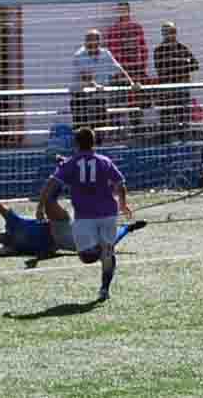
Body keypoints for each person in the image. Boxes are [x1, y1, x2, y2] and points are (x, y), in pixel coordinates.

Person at [37, 128, 131, 301]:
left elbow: (51, 184)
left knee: (86, 257)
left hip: (85, 216)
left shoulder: (71, 163)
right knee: (108, 254)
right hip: (108, 213)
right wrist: (123, 205)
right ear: (94, 143)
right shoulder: (105, 161)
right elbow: (120, 184)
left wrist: (40, 207)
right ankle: (105, 283)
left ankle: (103, 284)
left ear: (76, 143)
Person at [0, 200, 147, 257]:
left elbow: (1, 207)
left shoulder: (13, 224)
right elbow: (3, 252)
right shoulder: (14, 248)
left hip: (58, 228)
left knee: (58, 213)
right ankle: (127, 229)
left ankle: (54, 195)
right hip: (61, 241)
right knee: (101, 249)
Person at [72, 29, 135, 142]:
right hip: (80, 97)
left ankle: (98, 149)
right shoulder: (79, 55)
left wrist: (132, 83)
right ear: (86, 42)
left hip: (99, 96)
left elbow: (119, 69)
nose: (93, 43)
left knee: (99, 127)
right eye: (90, 40)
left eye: (96, 40)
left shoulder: (105, 53)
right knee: (81, 129)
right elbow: (84, 76)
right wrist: (95, 85)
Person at [153, 21, 200, 141]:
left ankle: (184, 138)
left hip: (182, 87)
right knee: (167, 116)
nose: (170, 35)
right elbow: (162, 68)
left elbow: (195, 64)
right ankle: (166, 140)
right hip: (167, 88)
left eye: (172, 32)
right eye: (167, 32)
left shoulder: (182, 48)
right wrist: (183, 62)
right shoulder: (159, 50)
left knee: (183, 115)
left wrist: (177, 63)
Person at [105, 2, 148, 83]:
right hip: (121, 70)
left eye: (125, 9)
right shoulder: (113, 30)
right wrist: (117, 71)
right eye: (120, 10)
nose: (123, 12)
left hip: (136, 69)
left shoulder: (137, 28)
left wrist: (142, 68)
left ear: (129, 11)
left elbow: (144, 49)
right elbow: (111, 53)